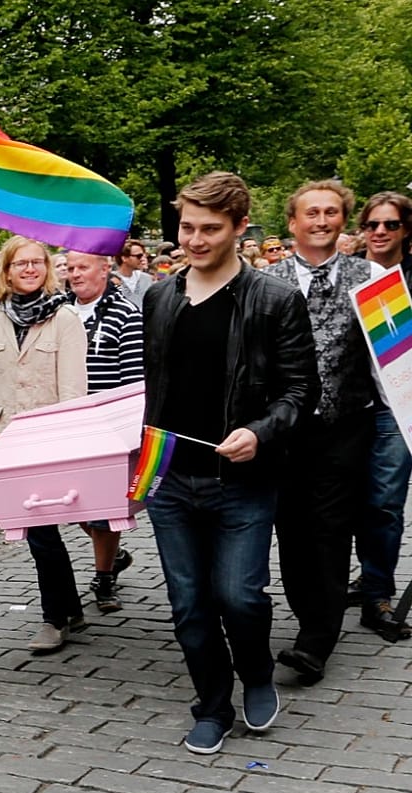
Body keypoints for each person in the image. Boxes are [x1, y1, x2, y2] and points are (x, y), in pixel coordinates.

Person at [143, 172, 317, 754]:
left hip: (243, 478)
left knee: (239, 594)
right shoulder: (160, 296)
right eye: (187, 227)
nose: (194, 240)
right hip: (172, 480)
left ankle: (258, 673)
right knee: (188, 603)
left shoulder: (274, 298)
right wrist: (142, 463)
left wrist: (259, 432)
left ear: (241, 228)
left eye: (209, 229)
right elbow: (155, 390)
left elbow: (299, 391)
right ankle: (212, 705)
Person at [262, 180, 376, 683]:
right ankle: (310, 616)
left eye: (331, 212)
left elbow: (396, 356)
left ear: (343, 219)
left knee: (331, 530)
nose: (322, 220)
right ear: (293, 223)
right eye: (312, 213)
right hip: (284, 429)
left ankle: (316, 640)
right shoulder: (267, 279)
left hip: (346, 423)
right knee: (291, 530)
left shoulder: (371, 276)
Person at [0, 237, 87, 653]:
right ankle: (66, 608)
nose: (29, 269)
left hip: (51, 438)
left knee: (44, 531)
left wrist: (69, 443)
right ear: (5, 271)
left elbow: (75, 389)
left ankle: (56, 617)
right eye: (20, 263)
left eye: (37, 262)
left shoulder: (66, 318)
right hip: (9, 440)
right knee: (39, 531)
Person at [64, 251, 143, 612]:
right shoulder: (59, 311)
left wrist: (125, 431)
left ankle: (104, 577)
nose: (75, 274)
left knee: (104, 508)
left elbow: (133, 380)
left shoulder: (127, 315)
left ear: (104, 268)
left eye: (83, 267)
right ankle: (113, 555)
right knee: (72, 504)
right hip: (67, 425)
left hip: (108, 427)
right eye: (70, 268)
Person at [353, 191, 412, 641]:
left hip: (397, 406)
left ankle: (377, 591)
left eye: (390, 224)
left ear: (405, 230)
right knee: (351, 500)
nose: (379, 232)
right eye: (372, 224)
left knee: (385, 501)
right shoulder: (350, 274)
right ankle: (363, 577)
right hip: (349, 404)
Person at [115, 240, 153, 307]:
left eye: (144, 255)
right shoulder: (111, 280)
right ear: (124, 258)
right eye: (139, 256)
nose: (142, 259)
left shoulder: (147, 279)